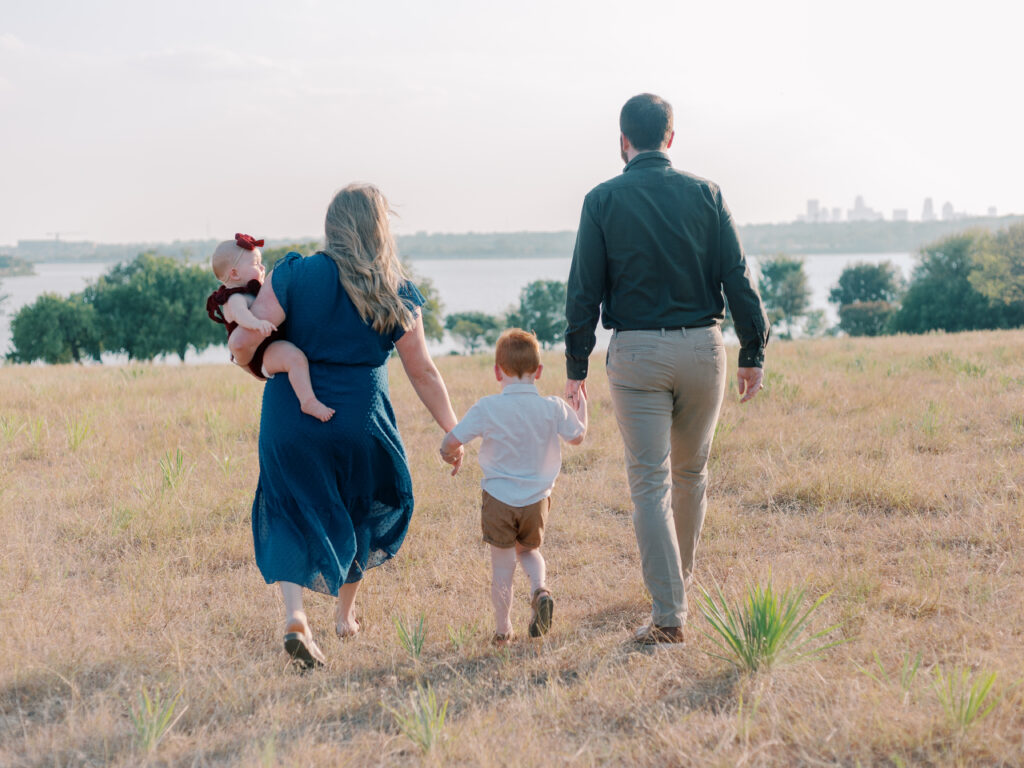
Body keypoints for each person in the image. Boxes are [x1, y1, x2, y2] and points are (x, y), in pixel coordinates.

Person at [564, 93, 770, 645]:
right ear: (671, 139)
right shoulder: (707, 194)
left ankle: (669, 615)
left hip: (636, 354)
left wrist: (575, 365)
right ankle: (677, 589)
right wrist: (753, 349)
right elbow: (737, 276)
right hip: (705, 349)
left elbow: (583, 289)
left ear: (622, 142)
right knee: (690, 476)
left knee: (650, 484)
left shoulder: (601, 199)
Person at [229, 184, 462, 668]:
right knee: (360, 509)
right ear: (380, 228)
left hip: (291, 416)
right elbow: (423, 370)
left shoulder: (294, 274)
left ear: (331, 226)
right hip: (361, 421)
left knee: (288, 505)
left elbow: (248, 342)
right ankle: (344, 617)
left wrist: (259, 359)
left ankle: (295, 617)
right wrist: (452, 430)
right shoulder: (395, 289)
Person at [440, 329, 587, 645]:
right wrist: (580, 404)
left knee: (502, 568)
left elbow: (451, 440)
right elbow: (578, 436)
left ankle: (504, 629)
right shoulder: (553, 407)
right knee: (530, 551)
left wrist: (448, 453)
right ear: (539, 372)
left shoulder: (487, 407)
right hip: (536, 501)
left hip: (499, 500)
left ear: (497, 371)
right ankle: (539, 589)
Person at [206, 233, 335, 422]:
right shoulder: (234, 298)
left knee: (296, 355)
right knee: (295, 358)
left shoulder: (252, 291)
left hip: (266, 344)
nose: (262, 267)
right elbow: (242, 316)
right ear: (234, 273)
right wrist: (257, 323)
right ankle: (308, 401)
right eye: (255, 264)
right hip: (260, 354)